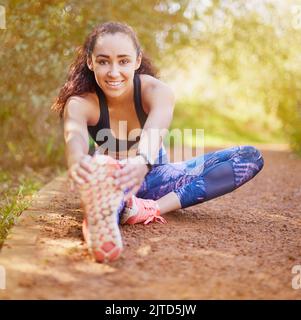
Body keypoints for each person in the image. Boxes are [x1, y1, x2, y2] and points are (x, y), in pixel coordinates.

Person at [51, 21, 264, 263]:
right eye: (103, 61)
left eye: (123, 61)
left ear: (137, 61)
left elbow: (155, 131)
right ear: (90, 62)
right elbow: (75, 137)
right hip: (115, 178)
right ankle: (103, 214)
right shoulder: (80, 103)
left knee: (249, 157)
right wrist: (77, 160)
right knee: (107, 188)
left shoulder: (157, 91)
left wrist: (142, 161)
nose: (113, 72)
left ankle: (146, 208)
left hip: (157, 176)